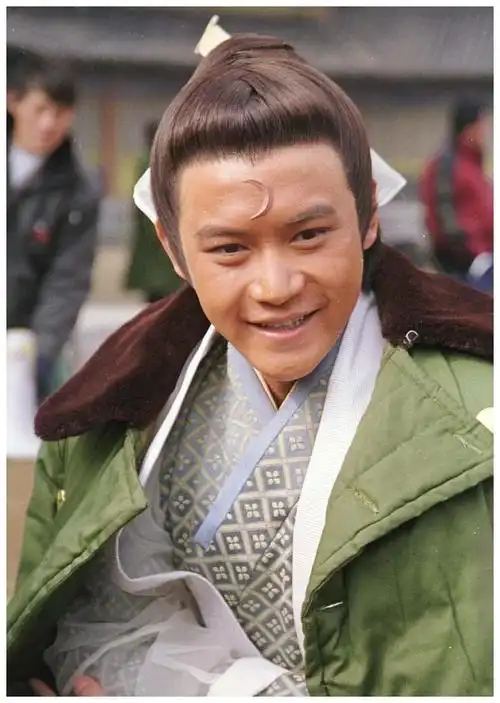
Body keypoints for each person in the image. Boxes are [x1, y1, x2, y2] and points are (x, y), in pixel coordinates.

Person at [7, 32, 492, 697]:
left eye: (309, 234)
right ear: (174, 251)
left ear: (369, 218)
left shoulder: (476, 411)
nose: (275, 286)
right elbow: (92, 620)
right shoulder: (112, 413)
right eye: (230, 249)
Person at [7, 51, 100, 403]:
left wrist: (40, 353)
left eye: (60, 112)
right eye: (40, 109)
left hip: (23, 344)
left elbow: (67, 280)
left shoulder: (78, 192)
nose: (48, 124)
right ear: (12, 101)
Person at [419, 98, 493, 292]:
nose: (486, 132)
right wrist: (476, 257)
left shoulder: (473, 164)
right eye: (481, 126)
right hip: (465, 265)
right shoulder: (447, 167)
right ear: (468, 129)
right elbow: (445, 221)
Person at [125, 120, 183, 303]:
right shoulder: (155, 160)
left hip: (154, 231)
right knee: (164, 291)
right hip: (159, 230)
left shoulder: (149, 158)